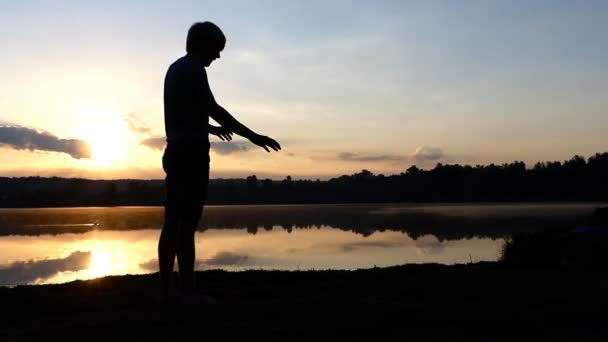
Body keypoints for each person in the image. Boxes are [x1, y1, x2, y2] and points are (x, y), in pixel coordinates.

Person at [158, 21, 281, 304]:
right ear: (204, 45)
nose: (218, 56)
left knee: (172, 221)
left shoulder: (176, 68)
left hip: (176, 149)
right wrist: (253, 136)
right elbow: (214, 108)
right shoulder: (193, 69)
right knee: (186, 223)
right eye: (217, 50)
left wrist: (209, 129)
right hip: (191, 154)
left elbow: (188, 109)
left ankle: (167, 291)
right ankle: (187, 291)